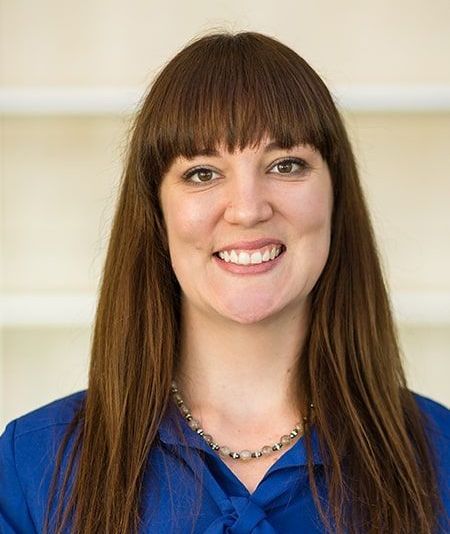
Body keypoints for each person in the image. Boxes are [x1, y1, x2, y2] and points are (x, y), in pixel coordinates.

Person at [0, 30, 449, 534]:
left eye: (286, 165)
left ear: (335, 196)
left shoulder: (440, 457)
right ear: (156, 213)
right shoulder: (32, 465)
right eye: (202, 173)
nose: (248, 209)